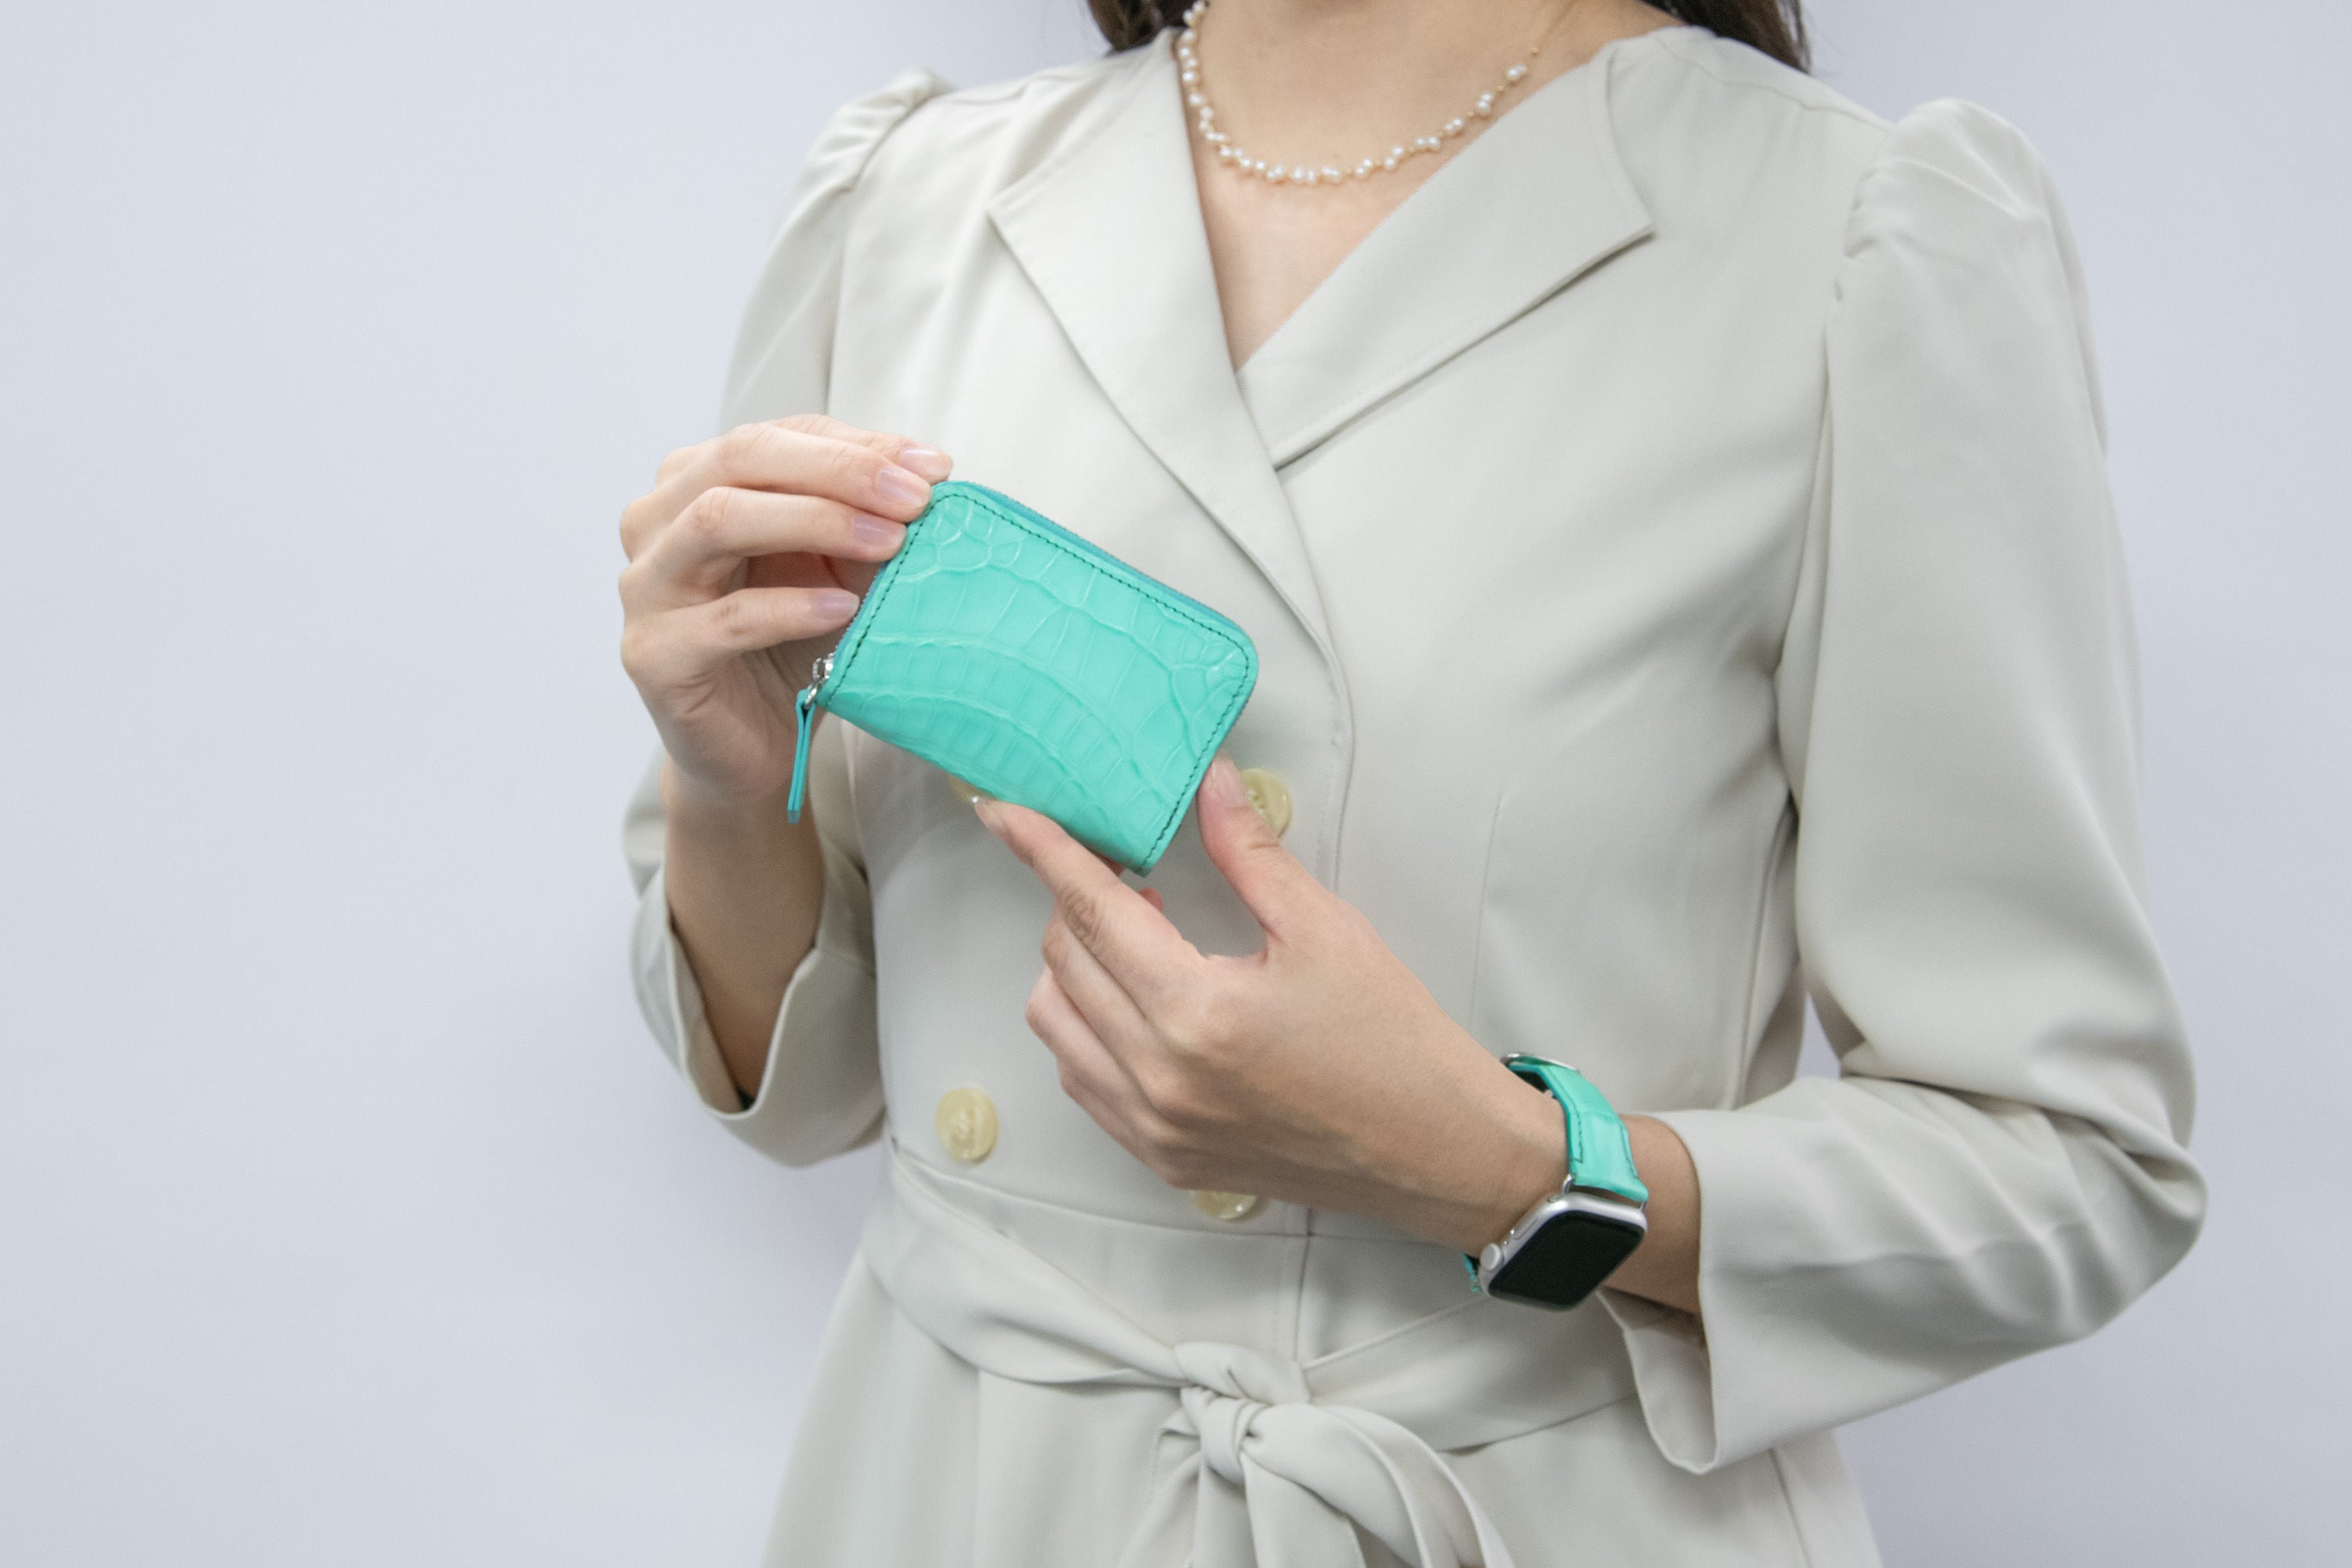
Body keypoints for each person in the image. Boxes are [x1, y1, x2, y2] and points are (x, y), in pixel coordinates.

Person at [615, 1, 2204, 1561]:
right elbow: (801, 1095)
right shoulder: (910, 200)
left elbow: (2071, 1160)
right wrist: (726, 783)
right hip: (946, 1494)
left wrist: (1498, 1165)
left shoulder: (1852, 233)